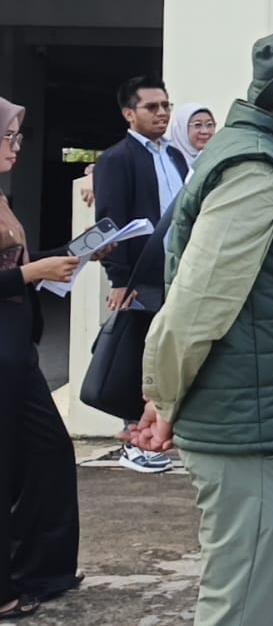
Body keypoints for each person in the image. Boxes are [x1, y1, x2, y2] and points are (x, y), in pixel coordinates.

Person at [127, 28, 273, 626]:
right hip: (251, 427)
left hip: (269, 421)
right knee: (243, 607)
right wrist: (163, 393)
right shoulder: (257, 169)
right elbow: (196, 302)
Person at [0, 98, 87, 620]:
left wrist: (71, 256)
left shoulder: (3, 196)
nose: (15, 147)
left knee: (48, 453)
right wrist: (34, 275)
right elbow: (18, 273)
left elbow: (23, 264)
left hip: (17, 347)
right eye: (8, 137)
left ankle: (41, 567)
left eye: (18, 138)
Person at [95, 74, 188, 474]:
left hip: (176, 272)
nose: (162, 113)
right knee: (137, 355)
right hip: (139, 275)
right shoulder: (116, 159)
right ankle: (133, 441)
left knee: (167, 354)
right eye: (152, 107)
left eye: (166, 105)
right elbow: (109, 222)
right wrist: (119, 278)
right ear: (128, 113)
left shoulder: (174, 156)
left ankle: (157, 435)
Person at [168, 103, 217, 170]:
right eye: (197, 125)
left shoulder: (219, 159)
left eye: (209, 125)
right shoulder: (168, 161)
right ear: (181, 129)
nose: (205, 131)